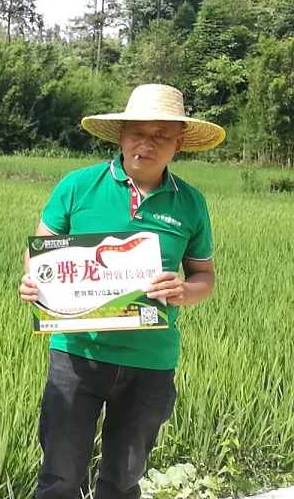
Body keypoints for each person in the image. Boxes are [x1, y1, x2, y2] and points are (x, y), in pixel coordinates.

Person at [18, 83, 224, 499]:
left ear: (179, 143)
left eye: (161, 135)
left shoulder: (190, 203)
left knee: (124, 480)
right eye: (136, 132)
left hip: (151, 361)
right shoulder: (78, 186)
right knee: (59, 476)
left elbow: (204, 274)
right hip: (77, 354)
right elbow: (41, 251)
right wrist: (34, 279)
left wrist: (184, 291)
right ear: (121, 136)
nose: (146, 143)